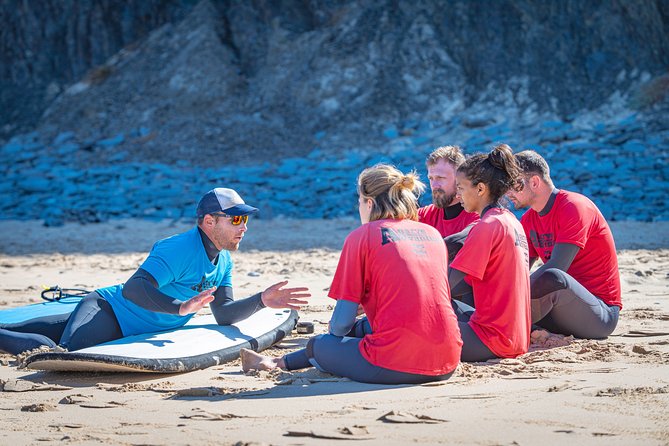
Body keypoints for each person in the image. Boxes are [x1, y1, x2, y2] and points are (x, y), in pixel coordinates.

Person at [0, 188, 310, 356]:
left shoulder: (224, 260)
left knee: (31, 327)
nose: (244, 228)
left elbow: (225, 314)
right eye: (237, 220)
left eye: (246, 220)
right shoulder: (179, 249)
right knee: (59, 352)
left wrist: (262, 300)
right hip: (108, 312)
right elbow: (134, 289)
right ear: (209, 222)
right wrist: (180, 308)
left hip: (130, 326)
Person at [241, 164, 463, 384]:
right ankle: (278, 361)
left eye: (359, 202)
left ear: (369, 202)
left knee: (320, 344)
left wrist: (340, 324)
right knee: (364, 327)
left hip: (396, 365)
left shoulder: (362, 236)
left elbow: (339, 326)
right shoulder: (431, 233)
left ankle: (275, 363)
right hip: (448, 360)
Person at [505, 150, 621, 339]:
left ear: (534, 182)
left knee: (553, 276)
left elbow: (559, 267)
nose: (508, 192)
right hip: (560, 311)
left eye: (513, 185)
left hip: (600, 315)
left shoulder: (574, 207)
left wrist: (508, 297)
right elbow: (519, 269)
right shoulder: (529, 219)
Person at [448, 144, 531, 362]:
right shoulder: (511, 221)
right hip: (517, 337)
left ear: (481, 189)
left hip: (492, 339)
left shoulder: (487, 226)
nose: (457, 195)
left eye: (460, 188)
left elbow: (446, 286)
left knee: (407, 321)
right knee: (453, 307)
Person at [419, 145, 480, 262]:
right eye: (431, 178)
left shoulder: (476, 215)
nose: (434, 186)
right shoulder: (425, 215)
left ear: (459, 179)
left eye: (440, 178)